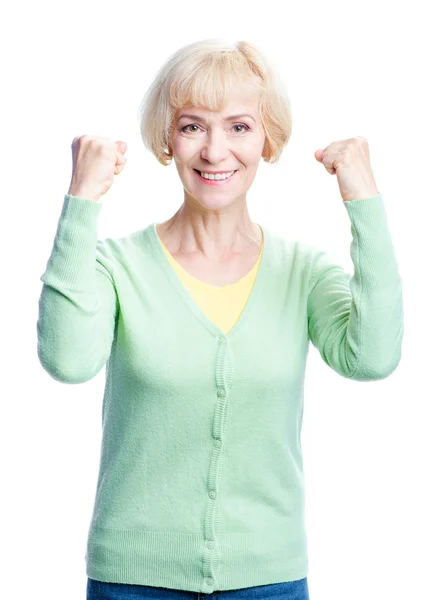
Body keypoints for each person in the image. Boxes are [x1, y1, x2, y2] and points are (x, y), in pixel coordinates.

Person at [37, 38, 404, 600]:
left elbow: (373, 357)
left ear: (268, 139)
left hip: (269, 581)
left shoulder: (302, 271)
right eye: (192, 126)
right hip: (133, 581)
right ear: (168, 139)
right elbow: (67, 361)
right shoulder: (117, 266)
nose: (214, 151)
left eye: (239, 127)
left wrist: (365, 200)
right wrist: (82, 198)